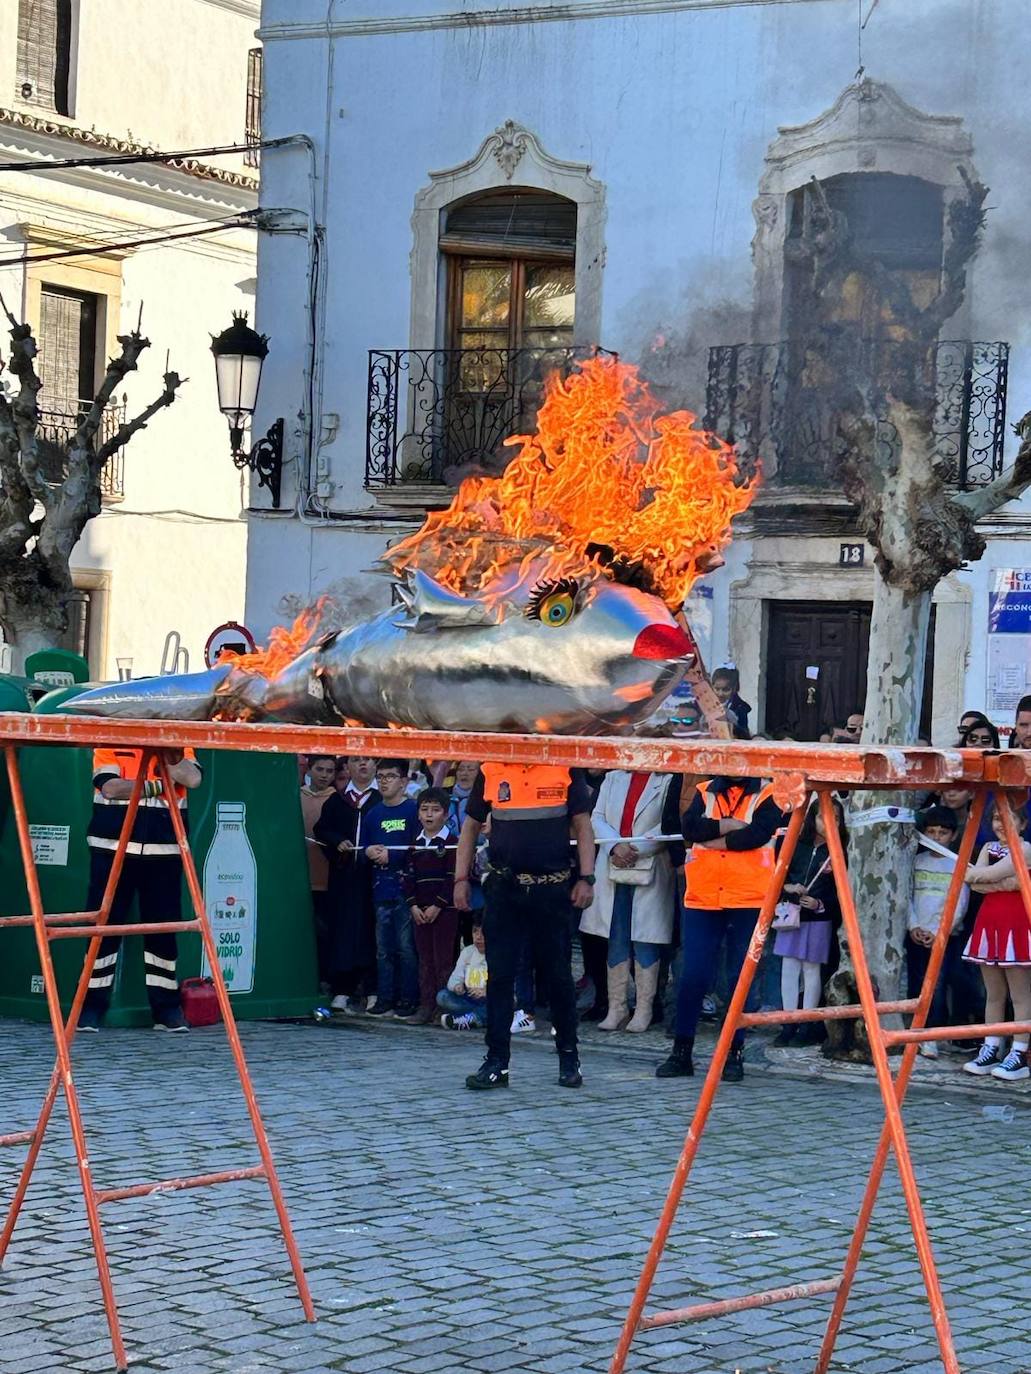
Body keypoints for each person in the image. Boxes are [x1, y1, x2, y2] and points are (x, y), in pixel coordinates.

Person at [454, 762, 595, 1090]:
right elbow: (471, 827)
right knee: (500, 976)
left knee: (558, 977)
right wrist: (460, 878)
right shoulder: (491, 768)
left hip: (552, 888)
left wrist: (587, 878)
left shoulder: (563, 767)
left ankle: (569, 1057)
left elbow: (582, 824)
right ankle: (496, 1062)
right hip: (505, 888)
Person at [656, 765, 783, 1083]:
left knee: (739, 978)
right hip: (704, 895)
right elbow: (690, 829)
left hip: (748, 897)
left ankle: (734, 1054)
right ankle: (681, 1053)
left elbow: (755, 836)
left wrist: (716, 837)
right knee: (692, 975)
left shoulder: (768, 792)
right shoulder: (704, 791)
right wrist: (727, 824)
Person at [79, 746, 202, 1033]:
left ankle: (167, 1010)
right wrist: (160, 785)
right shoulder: (109, 743)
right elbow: (111, 788)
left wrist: (168, 756)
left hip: (164, 851)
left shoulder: (178, 744)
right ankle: (90, 1008)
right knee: (101, 929)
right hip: (111, 850)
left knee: (163, 932)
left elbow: (193, 778)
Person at [582, 770, 682, 1033]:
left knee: (645, 939)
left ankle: (644, 1009)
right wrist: (615, 846)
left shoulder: (669, 779)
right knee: (616, 938)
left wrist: (635, 847)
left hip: (650, 863)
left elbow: (668, 822)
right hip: (613, 863)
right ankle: (617, 1007)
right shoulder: (613, 777)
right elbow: (598, 817)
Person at [961, 802, 1031, 1080]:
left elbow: (983, 875)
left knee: (1020, 994)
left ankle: (1020, 1053)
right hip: (988, 923)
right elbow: (974, 882)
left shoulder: (1025, 849)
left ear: (1023, 824)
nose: (1001, 824)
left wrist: (989, 880)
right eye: (996, 819)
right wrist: (1006, 882)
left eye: (1008, 819)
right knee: (994, 993)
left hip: (1017, 923)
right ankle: (991, 1047)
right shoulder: (988, 847)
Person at [771, 798, 844, 1048]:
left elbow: (842, 892)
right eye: (822, 816)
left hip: (819, 918)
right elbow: (777, 873)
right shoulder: (796, 845)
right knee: (789, 967)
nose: (828, 823)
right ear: (812, 819)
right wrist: (787, 887)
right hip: (790, 913)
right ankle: (788, 1022)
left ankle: (807, 1022)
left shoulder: (840, 851)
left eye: (835, 817)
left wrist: (821, 904)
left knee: (812, 970)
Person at [313, 757, 380, 1013]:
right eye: (356, 761)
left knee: (371, 932)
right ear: (348, 768)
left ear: (375, 766)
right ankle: (342, 989)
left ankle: (373, 989)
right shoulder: (337, 800)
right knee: (342, 931)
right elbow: (322, 830)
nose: (362, 765)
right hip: (343, 878)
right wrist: (338, 841)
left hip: (374, 878)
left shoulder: (380, 799)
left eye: (368, 761)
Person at [907, 805, 969, 1059]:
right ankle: (914, 1034)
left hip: (943, 936)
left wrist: (939, 931)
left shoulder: (958, 864)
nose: (936, 837)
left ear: (952, 836)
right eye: (931, 832)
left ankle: (931, 1035)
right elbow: (906, 895)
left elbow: (960, 903)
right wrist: (913, 926)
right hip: (916, 933)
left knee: (938, 986)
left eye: (942, 833)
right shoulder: (916, 861)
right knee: (915, 983)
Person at [363, 759, 420, 1018]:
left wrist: (393, 857)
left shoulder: (413, 810)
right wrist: (368, 851)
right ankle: (385, 997)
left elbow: (420, 848)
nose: (384, 781)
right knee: (383, 947)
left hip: (406, 888)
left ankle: (408, 998)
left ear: (404, 781)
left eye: (391, 776)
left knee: (406, 947)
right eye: (381, 776)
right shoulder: (373, 813)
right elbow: (362, 846)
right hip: (380, 888)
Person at [403, 786, 459, 1025]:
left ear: (445, 814)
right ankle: (426, 1005)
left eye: (435, 810)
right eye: (424, 809)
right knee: (424, 959)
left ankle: (443, 1006)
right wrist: (413, 905)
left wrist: (438, 905)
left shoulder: (451, 843)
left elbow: (452, 877)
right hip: (420, 911)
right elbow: (408, 877)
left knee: (444, 959)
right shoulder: (414, 844)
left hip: (444, 912)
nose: (429, 815)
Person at [299, 754, 337, 992]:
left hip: (326, 879)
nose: (324, 775)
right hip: (298, 879)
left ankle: (323, 980)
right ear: (309, 769)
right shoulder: (295, 796)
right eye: (320, 769)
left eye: (330, 771)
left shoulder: (337, 800)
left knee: (324, 932)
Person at [438, 918, 489, 1028]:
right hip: (469, 999)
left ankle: (472, 1018)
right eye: (475, 931)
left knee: (502, 1004)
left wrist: (486, 991)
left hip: (490, 998)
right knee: (442, 996)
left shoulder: (499, 954)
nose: (478, 937)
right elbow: (454, 978)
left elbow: (507, 987)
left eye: (483, 933)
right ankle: (476, 1017)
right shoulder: (468, 952)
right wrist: (457, 986)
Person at [711, 666, 751, 733]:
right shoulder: (703, 703)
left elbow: (744, 734)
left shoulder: (740, 708)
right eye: (717, 689)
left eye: (726, 690)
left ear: (734, 689)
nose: (720, 694)